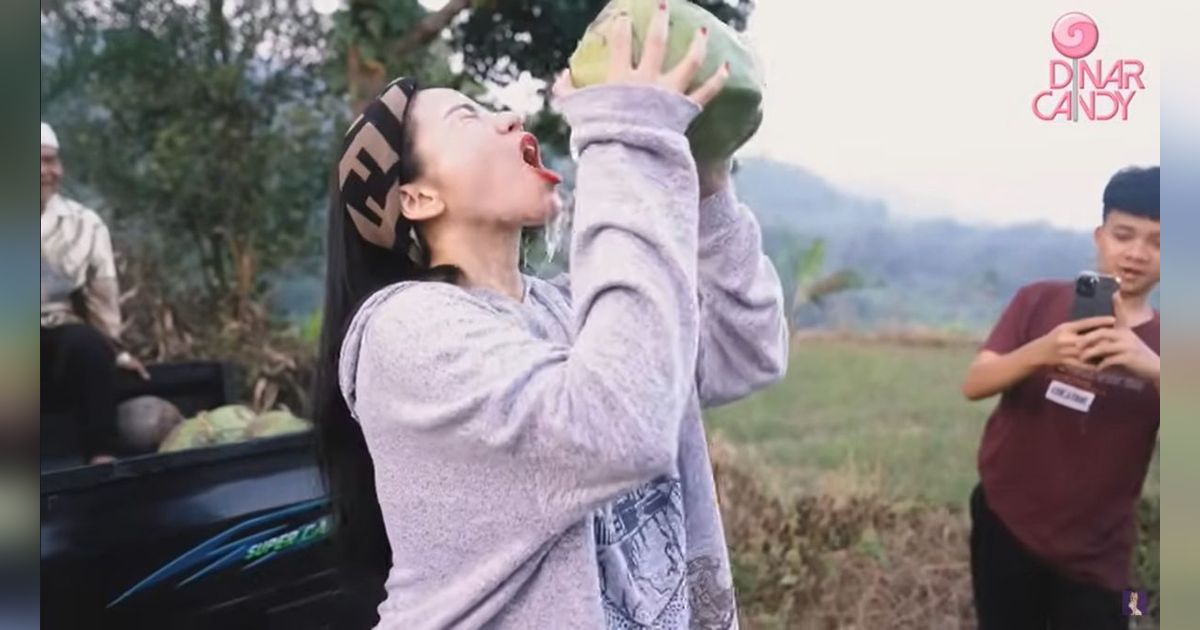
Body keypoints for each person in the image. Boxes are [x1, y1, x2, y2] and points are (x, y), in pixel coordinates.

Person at [313, 7, 788, 629]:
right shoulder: (402, 333)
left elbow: (744, 349)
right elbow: (619, 427)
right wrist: (630, 134)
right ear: (419, 197)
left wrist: (706, 182)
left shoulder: (568, 311)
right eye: (468, 116)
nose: (508, 116)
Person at [961, 166, 1160, 630]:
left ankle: (1142, 612)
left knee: (1127, 614)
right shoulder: (1038, 301)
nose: (1135, 253)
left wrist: (1148, 364)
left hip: (1101, 554)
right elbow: (975, 383)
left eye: (1156, 241)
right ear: (1099, 236)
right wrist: (1042, 351)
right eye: (1123, 235)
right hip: (1005, 519)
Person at [41, 122, 149, 465]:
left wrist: (115, 352)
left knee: (85, 344)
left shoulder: (85, 224)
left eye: (52, 161)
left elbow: (101, 301)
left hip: (55, 339)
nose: (46, 172)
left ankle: (101, 457)